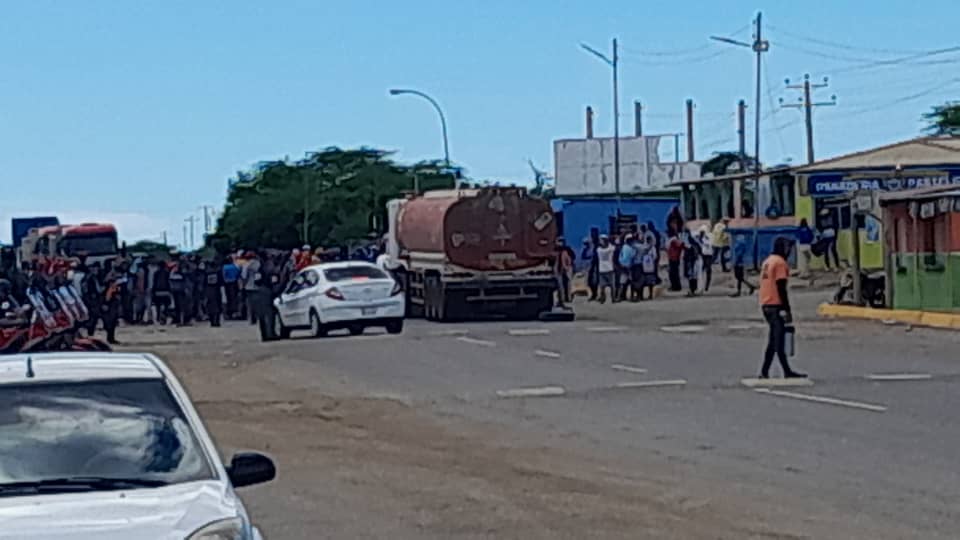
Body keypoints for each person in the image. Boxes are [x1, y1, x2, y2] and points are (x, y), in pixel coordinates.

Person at [758, 237, 806, 379]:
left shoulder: (768, 261)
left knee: (774, 340)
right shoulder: (780, 263)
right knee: (778, 340)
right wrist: (787, 309)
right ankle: (786, 371)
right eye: (788, 248)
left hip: (766, 303)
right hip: (775, 304)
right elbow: (781, 288)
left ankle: (765, 371)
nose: (790, 252)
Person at [240, 251, 261, 325]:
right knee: (258, 303)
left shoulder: (246, 264)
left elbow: (244, 276)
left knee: (250, 304)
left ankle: (252, 319)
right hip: (258, 286)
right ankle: (259, 318)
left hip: (249, 286)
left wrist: (243, 286)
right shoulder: (258, 263)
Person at [203, 258, 224, 327]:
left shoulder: (206, 272)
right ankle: (217, 321)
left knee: (210, 306)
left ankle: (212, 322)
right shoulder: (218, 271)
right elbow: (221, 282)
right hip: (216, 290)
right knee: (217, 306)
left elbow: (204, 282)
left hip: (208, 290)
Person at [553, 237, 575, 306]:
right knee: (560, 285)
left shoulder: (567, 249)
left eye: (562, 241)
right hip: (559, 270)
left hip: (567, 269)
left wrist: (569, 266)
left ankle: (568, 298)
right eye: (559, 241)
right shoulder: (555, 250)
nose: (561, 243)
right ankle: (561, 299)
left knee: (568, 284)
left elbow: (573, 257)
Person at [595, 235, 616, 304]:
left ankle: (602, 299)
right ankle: (613, 298)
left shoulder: (598, 249)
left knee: (602, 286)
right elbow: (612, 247)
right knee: (612, 285)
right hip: (609, 269)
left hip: (602, 269)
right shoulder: (611, 248)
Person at [617, 235, 637, 302]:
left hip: (629, 267)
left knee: (629, 283)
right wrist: (623, 265)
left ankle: (627, 296)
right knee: (623, 283)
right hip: (625, 267)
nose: (631, 240)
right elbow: (622, 257)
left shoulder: (631, 248)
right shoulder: (625, 247)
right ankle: (620, 296)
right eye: (629, 239)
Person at [683, 231, 701, 297]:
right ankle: (693, 290)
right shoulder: (695, 243)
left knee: (691, 276)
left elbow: (688, 248)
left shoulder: (690, 244)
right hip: (693, 261)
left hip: (691, 261)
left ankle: (692, 291)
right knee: (693, 276)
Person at [698, 226, 715, 292]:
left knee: (708, 270)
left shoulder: (710, 236)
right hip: (703, 255)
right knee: (701, 271)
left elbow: (710, 244)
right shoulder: (700, 237)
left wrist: (703, 240)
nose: (701, 233)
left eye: (702, 232)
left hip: (709, 255)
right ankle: (701, 286)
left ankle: (707, 286)